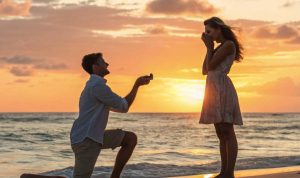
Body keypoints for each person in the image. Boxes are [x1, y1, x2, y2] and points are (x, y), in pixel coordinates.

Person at [70, 52, 153, 178]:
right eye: (103, 61)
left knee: (130, 139)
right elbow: (124, 105)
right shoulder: (97, 86)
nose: (107, 64)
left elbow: (121, 108)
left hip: (94, 136)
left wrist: (137, 86)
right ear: (95, 66)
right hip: (86, 140)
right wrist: (136, 85)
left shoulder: (96, 86)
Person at [199, 17, 244, 178]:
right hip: (213, 89)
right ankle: (224, 171)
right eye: (206, 33)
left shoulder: (228, 45)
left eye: (209, 31)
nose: (208, 35)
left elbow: (212, 66)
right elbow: (205, 70)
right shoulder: (216, 48)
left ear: (219, 29)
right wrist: (208, 49)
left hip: (222, 88)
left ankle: (229, 173)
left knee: (227, 129)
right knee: (220, 131)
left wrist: (209, 47)